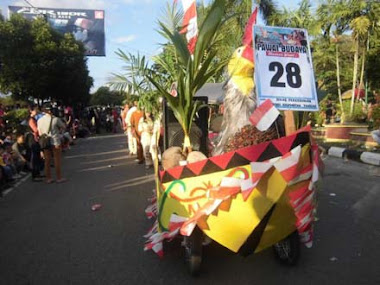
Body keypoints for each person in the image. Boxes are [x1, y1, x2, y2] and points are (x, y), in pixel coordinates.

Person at [37, 104, 67, 184]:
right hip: (55, 141)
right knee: (57, 160)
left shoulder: (39, 120)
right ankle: (59, 177)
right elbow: (63, 127)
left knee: (47, 160)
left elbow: (39, 132)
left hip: (45, 141)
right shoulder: (55, 119)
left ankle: (48, 178)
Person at [28, 106, 43, 181]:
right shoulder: (30, 119)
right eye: (34, 110)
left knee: (37, 157)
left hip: (35, 139)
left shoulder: (34, 119)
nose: (36, 111)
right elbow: (35, 129)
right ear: (31, 111)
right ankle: (34, 175)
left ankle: (37, 173)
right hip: (32, 140)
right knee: (34, 158)